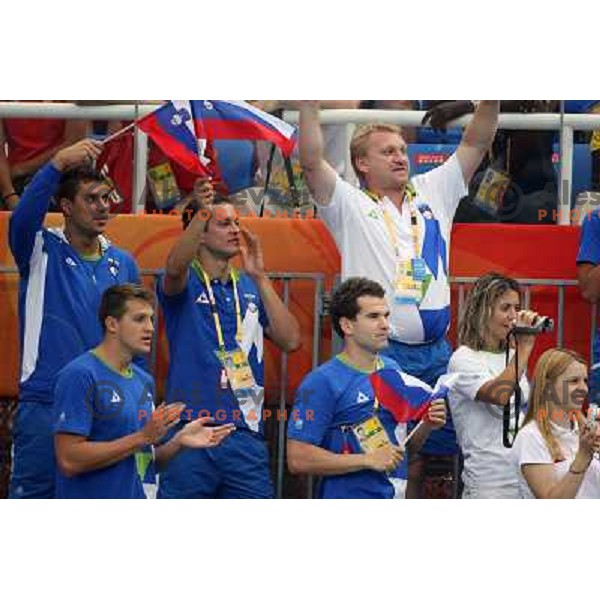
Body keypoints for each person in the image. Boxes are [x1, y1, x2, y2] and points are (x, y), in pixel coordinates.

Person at [298, 100, 499, 498]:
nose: (399, 157)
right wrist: (308, 104)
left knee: (443, 455)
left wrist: (490, 97)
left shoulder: (432, 190)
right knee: (394, 454)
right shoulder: (348, 204)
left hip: (437, 353)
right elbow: (310, 161)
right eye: (387, 151)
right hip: (383, 353)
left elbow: (477, 141)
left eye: (402, 150)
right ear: (361, 164)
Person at [8, 139, 142, 499]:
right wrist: (55, 165)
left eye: (105, 199)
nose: (102, 207)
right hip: (46, 402)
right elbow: (22, 219)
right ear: (65, 206)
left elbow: (136, 336)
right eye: (91, 199)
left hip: (107, 403)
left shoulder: (125, 263)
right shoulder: (39, 248)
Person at [156, 184, 301, 498]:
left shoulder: (248, 285)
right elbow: (173, 267)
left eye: (237, 222)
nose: (236, 230)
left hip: (244, 432)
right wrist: (202, 209)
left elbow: (290, 340)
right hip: (192, 427)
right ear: (200, 235)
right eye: (224, 223)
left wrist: (261, 277)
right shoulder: (186, 280)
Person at [53, 284, 235, 499]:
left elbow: (143, 462)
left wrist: (177, 442)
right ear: (112, 324)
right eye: (139, 319)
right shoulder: (79, 375)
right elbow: (69, 459)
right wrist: (142, 437)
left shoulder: (143, 380)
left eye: (151, 319)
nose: (150, 328)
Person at [287, 277, 447, 499]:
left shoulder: (392, 369)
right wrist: (365, 460)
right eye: (373, 317)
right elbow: (298, 458)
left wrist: (427, 424)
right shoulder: (321, 382)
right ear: (347, 325)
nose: (384, 324)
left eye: (386, 315)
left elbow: (402, 450)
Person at [448, 273, 540, 499]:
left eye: (516, 308)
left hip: (524, 475)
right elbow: (500, 394)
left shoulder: (512, 356)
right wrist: (525, 348)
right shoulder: (463, 358)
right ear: (483, 311)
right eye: (505, 308)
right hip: (489, 481)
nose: (513, 316)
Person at [512, 348, 600, 499]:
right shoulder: (531, 436)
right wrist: (583, 457)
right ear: (548, 387)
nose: (583, 388)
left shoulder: (585, 431)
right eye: (574, 381)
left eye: (585, 381)